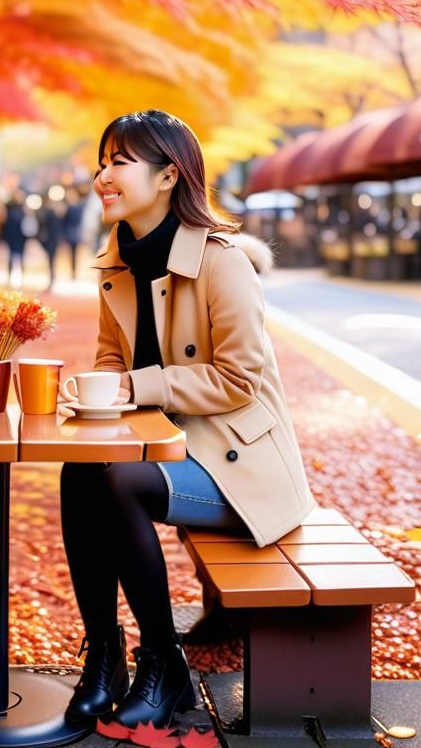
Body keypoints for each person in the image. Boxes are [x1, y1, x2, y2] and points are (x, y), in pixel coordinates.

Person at [61, 110, 315, 729]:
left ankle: (164, 660)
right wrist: (96, 393)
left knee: (118, 481)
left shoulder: (222, 261)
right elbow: (110, 360)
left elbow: (238, 380)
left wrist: (132, 386)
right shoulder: (115, 265)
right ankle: (104, 654)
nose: (103, 176)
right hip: (173, 452)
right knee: (77, 471)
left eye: (119, 162)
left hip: (238, 464)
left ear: (169, 175)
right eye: (103, 162)